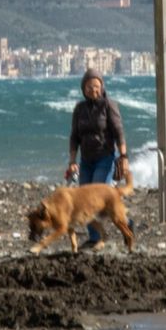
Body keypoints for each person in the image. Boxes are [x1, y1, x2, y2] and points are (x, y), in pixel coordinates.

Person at [66, 66, 130, 250]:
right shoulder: (79, 109)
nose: (93, 90)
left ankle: (99, 238)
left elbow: (119, 132)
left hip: (106, 158)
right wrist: (72, 161)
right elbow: (74, 137)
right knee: (84, 201)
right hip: (86, 161)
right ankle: (116, 228)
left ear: (102, 87)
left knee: (95, 199)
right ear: (83, 89)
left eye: (96, 86)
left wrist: (123, 156)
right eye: (89, 87)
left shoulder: (109, 105)